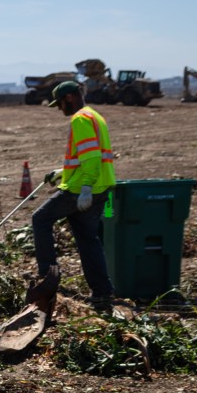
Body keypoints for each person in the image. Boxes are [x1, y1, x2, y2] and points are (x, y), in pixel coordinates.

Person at [32, 79, 117, 311]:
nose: (59, 108)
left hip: (82, 189)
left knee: (40, 219)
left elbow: (92, 157)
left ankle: (47, 279)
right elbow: (89, 155)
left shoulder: (80, 118)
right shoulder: (95, 116)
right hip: (101, 187)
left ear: (69, 97)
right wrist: (63, 172)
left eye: (59, 103)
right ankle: (102, 294)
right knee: (88, 240)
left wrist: (86, 187)